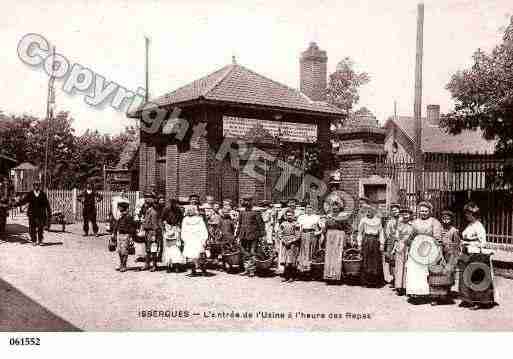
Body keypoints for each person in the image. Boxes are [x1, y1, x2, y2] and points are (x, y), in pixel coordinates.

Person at [458, 202, 496, 309]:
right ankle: (467, 299)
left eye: (468, 213)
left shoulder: (479, 226)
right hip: (466, 252)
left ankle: (479, 301)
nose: (466, 215)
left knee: (476, 276)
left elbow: (482, 243)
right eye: (466, 213)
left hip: (476, 254)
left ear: (474, 214)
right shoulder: (469, 225)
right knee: (464, 275)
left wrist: (469, 243)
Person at [405, 201, 442, 303]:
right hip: (416, 248)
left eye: (426, 211)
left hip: (429, 247)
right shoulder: (415, 222)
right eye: (421, 211)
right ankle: (416, 293)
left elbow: (437, 237)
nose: (423, 213)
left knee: (426, 271)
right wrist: (408, 244)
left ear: (430, 211)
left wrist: (437, 249)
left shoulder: (434, 222)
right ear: (419, 211)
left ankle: (428, 294)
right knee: (415, 270)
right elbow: (411, 236)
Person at [430, 209, 462, 305]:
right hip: (438, 254)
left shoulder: (454, 230)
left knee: (447, 274)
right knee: (436, 273)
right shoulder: (438, 229)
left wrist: (454, 256)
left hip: (449, 255)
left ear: (451, 220)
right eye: (444, 218)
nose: (446, 221)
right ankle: (435, 296)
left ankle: (446, 295)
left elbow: (457, 244)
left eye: (448, 219)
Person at [236, 196, 265, 277]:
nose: (246, 203)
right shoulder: (242, 213)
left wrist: (262, 235)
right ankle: (246, 269)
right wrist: (237, 234)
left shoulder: (256, 212)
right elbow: (240, 224)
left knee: (252, 252)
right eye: (245, 201)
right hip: (243, 235)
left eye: (248, 201)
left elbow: (261, 224)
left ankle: (252, 270)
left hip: (253, 235)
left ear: (251, 202)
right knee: (245, 252)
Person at [357, 203, 385, 288]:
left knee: (376, 260)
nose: (369, 213)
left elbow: (381, 233)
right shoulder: (363, 220)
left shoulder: (378, 220)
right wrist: (359, 243)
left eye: (371, 211)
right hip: (367, 241)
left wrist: (382, 243)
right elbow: (360, 233)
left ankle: (376, 281)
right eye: (367, 211)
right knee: (366, 259)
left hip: (375, 241)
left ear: (374, 212)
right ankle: (366, 281)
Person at [15, 181, 51, 246]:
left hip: (41, 214)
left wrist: (49, 213)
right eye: (35, 185)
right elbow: (24, 201)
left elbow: (47, 204)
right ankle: (34, 240)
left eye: (38, 185)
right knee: (32, 228)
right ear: (33, 186)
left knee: (40, 227)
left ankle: (40, 240)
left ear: (39, 186)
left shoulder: (43, 194)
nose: (36, 186)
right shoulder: (30, 194)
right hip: (32, 214)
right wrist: (16, 204)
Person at [323, 200, 349, 282]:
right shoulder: (328, 216)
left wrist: (346, 237)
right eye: (333, 206)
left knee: (338, 255)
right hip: (330, 236)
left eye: (336, 206)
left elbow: (347, 227)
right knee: (329, 255)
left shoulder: (343, 215)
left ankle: (337, 275)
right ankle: (329, 275)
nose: (335, 207)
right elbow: (325, 227)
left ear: (340, 207)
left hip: (339, 236)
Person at [182, 205, 209, 276]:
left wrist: (204, 239)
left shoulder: (199, 219)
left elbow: (203, 229)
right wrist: (184, 239)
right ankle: (193, 271)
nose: (190, 211)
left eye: (192, 210)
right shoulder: (185, 219)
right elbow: (183, 230)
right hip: (189, 239)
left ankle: (203, 270)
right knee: (191, 255)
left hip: (198, 239)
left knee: (200, 255)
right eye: (189, 210)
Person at [296, 203, 322, 277]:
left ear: (313, 209)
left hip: (312, 235)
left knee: (312, 251)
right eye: (307, 208)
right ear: (305, 209)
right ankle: (303, 270)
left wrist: (317, 233)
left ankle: (311, 270)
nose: (309, 209)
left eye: (311, 207)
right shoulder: (301, 217)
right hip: (304, 234)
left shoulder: (316, 217)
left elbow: (322, 228)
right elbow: (298, 227)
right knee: (304, 251)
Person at [392, 208, 413, 295]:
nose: (405, 216)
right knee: (399, 266)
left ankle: (406, 286)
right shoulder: (399, 224)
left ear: (410, 215)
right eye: (403, 214)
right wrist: (394, 247)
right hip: (400, 246)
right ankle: (399, 287)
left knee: (407, 266)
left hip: (409, 246)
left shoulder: (412, 225)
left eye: (407, 214)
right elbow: (396, 237)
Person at [111, 200, 136, 272]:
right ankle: (121, 264)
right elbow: (116, 225)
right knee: (119, 250)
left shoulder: (128, 217)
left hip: (126, 235)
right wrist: (114, 233)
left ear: (123, 208)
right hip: (120, 234)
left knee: (124, 251)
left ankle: (124, 265)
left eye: (119, 207)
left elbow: (132, 227)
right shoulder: (120, 216)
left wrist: (131, 237)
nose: (118, 208)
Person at [161, 198, 184, 273]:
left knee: (176, 247)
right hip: (168, 228)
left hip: (175, 229)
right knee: (167, 248)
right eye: (172, 203)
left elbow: (181, 220)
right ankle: (168, 265)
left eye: (175, 203)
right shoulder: (166, 209)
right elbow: (161, 220)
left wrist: (178, 227)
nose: (174, 205)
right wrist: (164, 228)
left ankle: (176, 265)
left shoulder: (178, 210)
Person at [277, 208, 300, 283]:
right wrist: (283, 240)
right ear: (285, 216)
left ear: (293, 216)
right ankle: (286, 276)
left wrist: (290, 241)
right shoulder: (283, 224)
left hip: (293, 244)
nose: (289, 217)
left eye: (291, 215)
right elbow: (279, 233)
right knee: (285, 259)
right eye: (287, 215)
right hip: (284, 243)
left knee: (291, 260)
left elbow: (298, 235)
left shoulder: (296, 224)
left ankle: (292, 276)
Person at [141, 193, 160, 272]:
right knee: (148, 249)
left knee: (153, 249)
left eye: (146, 204)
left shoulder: (153, 213)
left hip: (152, 232)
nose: (145, 205)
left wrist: (154, 235)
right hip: (147, 232)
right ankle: (147, 264)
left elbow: (155, 225)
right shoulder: (147, 212)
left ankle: (154, 265)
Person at [384, 203, 401, 286]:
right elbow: (387, 232)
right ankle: (393, 279)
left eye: (396, 210)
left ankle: (400, 279)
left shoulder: (402, 219)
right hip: (391, 241)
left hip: (401, 241)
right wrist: (391, 240)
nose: (395, 212)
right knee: (392, 260)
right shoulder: (390, 221)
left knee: (400, 260)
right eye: (393, 210)